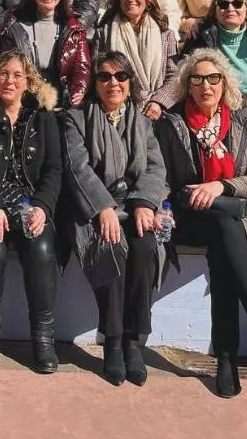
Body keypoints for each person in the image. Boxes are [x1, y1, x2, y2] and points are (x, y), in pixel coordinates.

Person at [155, 49, 247, 398]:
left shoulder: (241, 122)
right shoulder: (172, 123)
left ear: (225, 84)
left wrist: (221, 186)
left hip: (230, 213)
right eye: (197, 79)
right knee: (225, 228)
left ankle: (226, 359)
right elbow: (161, 177)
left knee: (224, 242)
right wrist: (161, 206)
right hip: (188, 215)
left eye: (213, 78)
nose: (205, 86)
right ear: (187, 85)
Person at [60, 51, 167, 386]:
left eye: (121, 76)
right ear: (95, 82)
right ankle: (114, 340)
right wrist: (102, 207)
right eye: (104, 76)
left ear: (130, 82)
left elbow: (154, 168)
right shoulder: (77, 118)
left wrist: (144, 204)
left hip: (132, 206)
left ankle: (134, 339)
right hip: (93, 209)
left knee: (145, 248)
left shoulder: (143, 123)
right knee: (110, 246)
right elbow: (77, 168)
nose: (113, 83)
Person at [0, 52, 63, 374]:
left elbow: (54, 168)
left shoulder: (42, 115)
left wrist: (43, 206)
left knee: (42, 248)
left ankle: (43, 339)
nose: (10, 80)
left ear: (28, 81)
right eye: (3, 73)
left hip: (31, 202)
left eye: (18, 75)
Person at [0, 0, 91, 108]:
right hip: (22, 102)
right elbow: (3, 67)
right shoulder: (14, 27)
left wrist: (75, 95)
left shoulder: (73, 28)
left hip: (61, 104)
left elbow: (81, 68)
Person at [95, 0, 179, 119]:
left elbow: (174, 77)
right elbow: (98, 74)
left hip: (156, 112)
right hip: (116, 110)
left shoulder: (165, 35)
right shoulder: (104, 34)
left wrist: (158, 102)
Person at [182, 0, 247, 96]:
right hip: (212, 100)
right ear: (215, 10)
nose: (230, 9)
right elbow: (185, 75)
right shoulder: (200, 35)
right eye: (223, 4)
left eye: (237, 3)